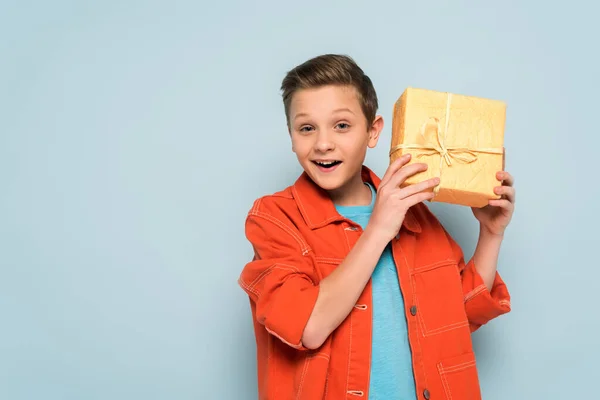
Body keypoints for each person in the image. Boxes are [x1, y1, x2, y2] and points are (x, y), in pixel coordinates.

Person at [238, 54, 515, 400]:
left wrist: (491, 233)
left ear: (373, 131)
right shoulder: (275, 218)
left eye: (342, 125)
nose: (323, 143)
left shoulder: (415, 214)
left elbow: (458, 319)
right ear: (292, 136)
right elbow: (308, 326)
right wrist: (380, 229)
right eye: (306, 128)